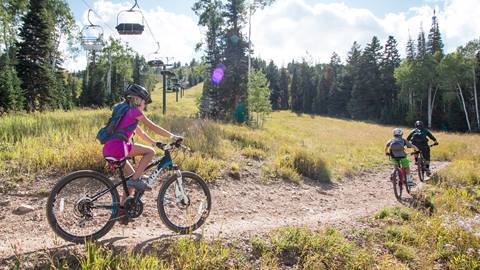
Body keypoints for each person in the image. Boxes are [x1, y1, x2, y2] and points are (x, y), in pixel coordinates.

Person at [102, 84, 181, 194]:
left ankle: (122, 209)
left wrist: (154, 142)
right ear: (138, 99)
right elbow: (153, 127)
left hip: (109, 148)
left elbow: (141, 133)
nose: (145, 105)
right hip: (119, 147)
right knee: (150, 152)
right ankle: (135, 180)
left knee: (131, 179)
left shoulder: (126, 112)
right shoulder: (135, 112)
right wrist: (173, 136)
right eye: (145, 102)